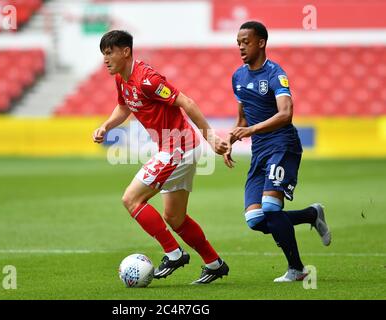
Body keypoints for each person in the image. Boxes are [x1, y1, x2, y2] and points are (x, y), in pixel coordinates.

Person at [93, 30, 229, 284]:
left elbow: (186, 102)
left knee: (131, 199)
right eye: (103, 54)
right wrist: (106, 126)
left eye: (109, 52)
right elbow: (124, 106)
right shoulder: (122, 79)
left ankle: (173, 253)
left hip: (177, 146)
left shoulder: (148, 79)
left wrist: (210, 138)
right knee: (175, 218)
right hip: (177, 147)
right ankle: (214, 263)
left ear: (126, 52)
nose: (105, 59)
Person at [224, 21, 332, 282]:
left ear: (261, 42)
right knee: (255, 219)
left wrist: (250, 131)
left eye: (245, 41)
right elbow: (242, 118)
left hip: (283, 145)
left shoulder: (275, 74)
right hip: (260, 151)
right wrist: (230, 139)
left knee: (272, 207)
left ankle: (297, 269)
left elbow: (286, 114)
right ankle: (311, 214)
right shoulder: (238, 76)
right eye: (238, 42)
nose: (240, 46)